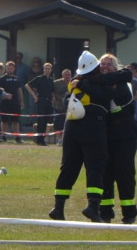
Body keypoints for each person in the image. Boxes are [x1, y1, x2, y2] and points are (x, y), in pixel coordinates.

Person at [48, 51, 118, 222]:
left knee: (68, 167)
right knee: (95, 166)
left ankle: (58, 208)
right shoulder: (100, 83)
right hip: (92, 126)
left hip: (71, 126)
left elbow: (67, 100)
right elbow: (108, 94)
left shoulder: (75, 82)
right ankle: (93, 207)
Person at [96, 53, 137, 224]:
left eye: (108, 64)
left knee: (124, 172)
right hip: (106, 132)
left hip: (125, 132)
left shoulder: (124, 83)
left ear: (116, 67)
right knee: (105, 172)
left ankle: (129, 213)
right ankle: (105, 212)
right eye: (102, 64)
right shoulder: (98, 81)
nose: (105, 66)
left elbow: (112, 96)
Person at [28, 62, 56, 145]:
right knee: (41, 121)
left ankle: (42, 139)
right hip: (41, 101)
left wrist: (53, 98)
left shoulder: (51, 80)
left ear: (51, 70)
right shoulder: (39, 78)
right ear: (43, 70)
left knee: (46, 121)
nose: (47, 70)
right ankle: (39, 140)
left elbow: (52, 91)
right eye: (46, 68)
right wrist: (34, 96)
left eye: (49, 69)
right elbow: (27, 85)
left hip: (48, 102)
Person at [0, 61, 23, 143]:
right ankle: (4, 136)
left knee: (15, 120)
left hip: (15, 102)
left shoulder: (17, 79)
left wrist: (21, 101)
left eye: (11, 68)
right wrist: (5, 96)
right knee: (4, 120)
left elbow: (19, 91)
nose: (9, 70)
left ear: (14, 69)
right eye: (8, 68)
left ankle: (17, 137)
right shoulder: (2, 78)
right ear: (6, 68)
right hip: (5, 102)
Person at [52, 68, 72, 142]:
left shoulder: (73, 83)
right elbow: (52, 91)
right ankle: (60, 139)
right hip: (58, 106)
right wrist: (54, 97)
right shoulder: (56, 83)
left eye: (69, 75)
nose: (68, 76)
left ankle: (67, 139)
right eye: (66, 75)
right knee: (58, 123)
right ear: (62, 75)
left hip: (70, 108)